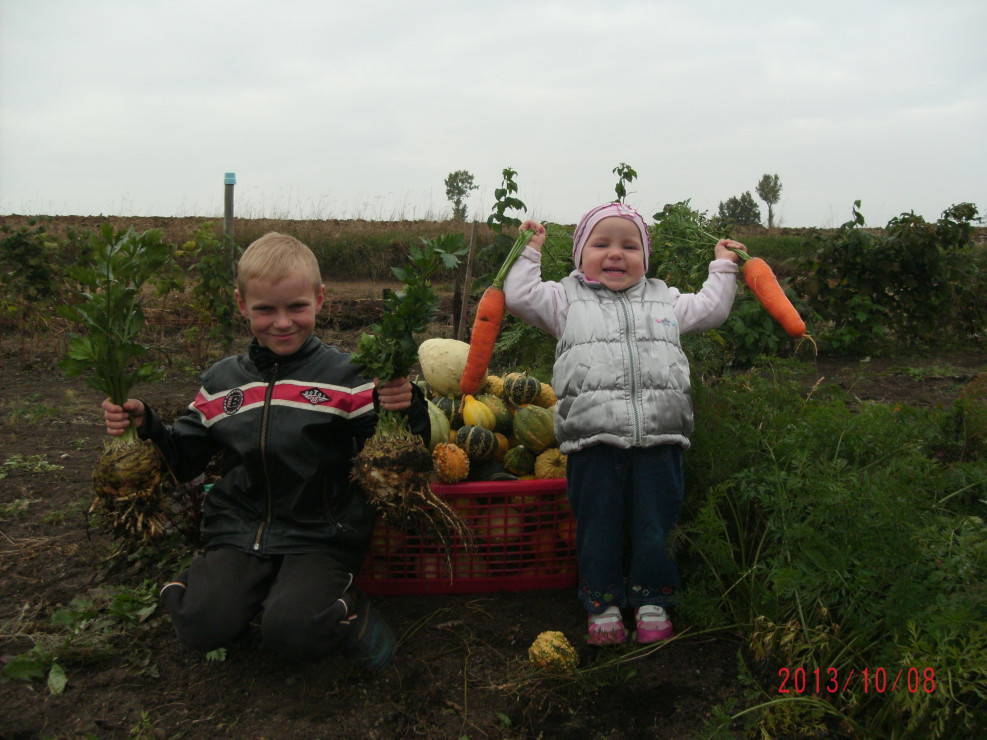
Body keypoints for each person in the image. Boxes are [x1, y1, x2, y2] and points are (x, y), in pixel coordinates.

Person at [102, 232, 429, 669]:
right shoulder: (221, 383)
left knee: (292, 629)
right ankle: (237, 596)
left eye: (296, 306)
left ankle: (349, 613)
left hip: (321, 537)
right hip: (238, 533)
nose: (282, 322)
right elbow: (182, 461)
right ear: (242, 305)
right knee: (200, 622)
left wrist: (409, 407)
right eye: (265, 309)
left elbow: (399, 457)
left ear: (319, 299)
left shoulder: (350, 378)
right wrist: (147, 427)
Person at [503, 203, 745, 646]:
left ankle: (652, 598)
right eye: (601, 244)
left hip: (660, 437)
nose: (616, 254)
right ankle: (603, 603)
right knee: (599, 525)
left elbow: (712, 309)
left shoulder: (664, 298)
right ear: (579, 256)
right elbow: (519, 297)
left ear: (645, 258)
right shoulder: (564, 299)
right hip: (592, 442)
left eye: (629, 246)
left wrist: (724, 266)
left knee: (656, 523)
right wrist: (529, 250)